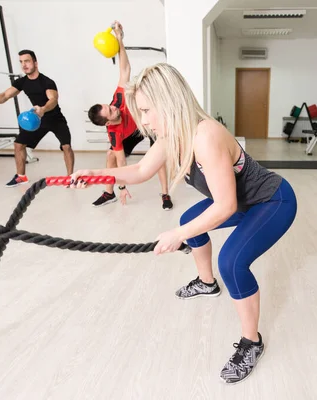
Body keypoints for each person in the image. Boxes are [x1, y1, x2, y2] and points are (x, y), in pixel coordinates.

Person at [69, 63, 297, 384]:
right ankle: (207, 283)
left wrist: (178, 235)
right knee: (190, 218)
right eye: (140, 112)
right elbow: (139, 172)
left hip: (273, 201)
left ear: (169, 101)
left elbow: (225, 206)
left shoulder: (205, 136)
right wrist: (96, 175)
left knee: (231, 261)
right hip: (243, 201)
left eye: (147, 110)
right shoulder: (171, 135)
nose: (143, 120)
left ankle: (252, 342)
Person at [87, 21, 173, 210]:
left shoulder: (119, 99)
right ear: (107, 122)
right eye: (110, 111)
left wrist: (119, 40)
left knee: (157, 157)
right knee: (111, 154)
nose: (113, 108)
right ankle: (109, 193)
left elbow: (125, 70)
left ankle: (165, 194)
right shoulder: (114, 133)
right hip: (130, 133)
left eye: (109, 106)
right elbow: (122, 160)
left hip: (146, 125)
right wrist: (123, 186)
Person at [0, 49, 74, 187]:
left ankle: (70, 178)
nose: (24, 65)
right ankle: (21, 177)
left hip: (55, 118)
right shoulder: (22, 82)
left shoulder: (47, 82)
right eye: (21, 62)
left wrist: (43, 109)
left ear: (35, 63)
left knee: (66, 146)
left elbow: (53, 100)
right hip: (36, 120)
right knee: (18, 144)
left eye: (27, 61)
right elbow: (5, 95)